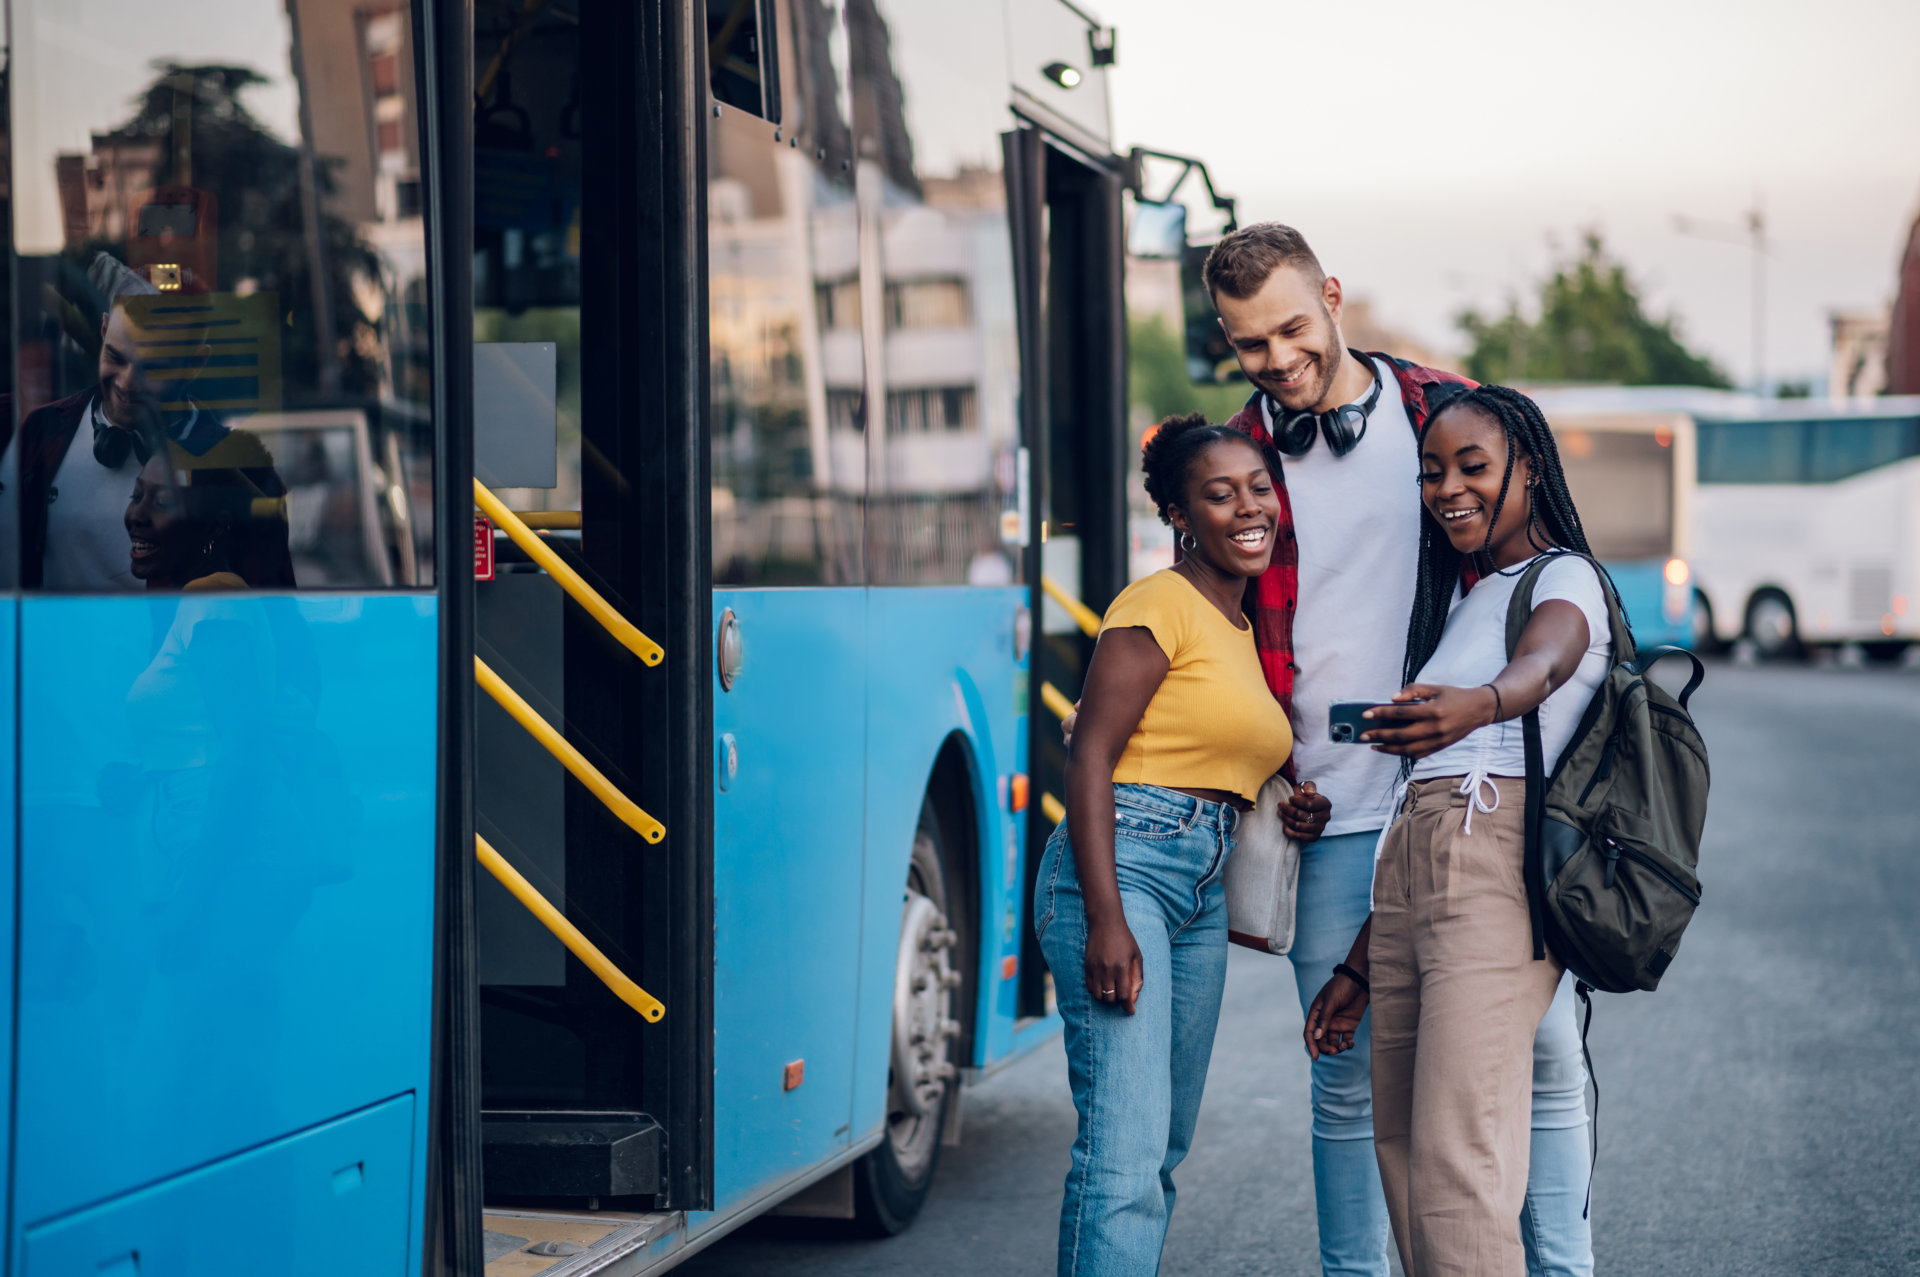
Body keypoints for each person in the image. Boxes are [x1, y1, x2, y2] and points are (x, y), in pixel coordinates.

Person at [1204, 223, 1593, 1277]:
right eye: (1249, 344)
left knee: (1538, 1050)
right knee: (1349, 1078)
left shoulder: (1442, 412)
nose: (1278, 359)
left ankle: (1562, 1265)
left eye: (1292, 326)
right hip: (1329, 805)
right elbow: (1221, 627)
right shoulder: (1234, 457)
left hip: (1471, 793)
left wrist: (1498, 707)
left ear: (1332, 295)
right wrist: (1269, 768)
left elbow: (1541, 573)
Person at [1304, 384, 1612, 1275]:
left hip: (1491, 856)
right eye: (1431, 471)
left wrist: (1474, 706)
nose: (1447, 488)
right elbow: (1428, 784)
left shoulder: (1565, 578)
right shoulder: (1465, 599)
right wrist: (1360, 965)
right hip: (1412, 867)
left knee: (1456, 1151)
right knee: (1399, 1140)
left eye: (1472, 467)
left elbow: (1547, 661)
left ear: (1530, 468)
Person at [1038, 414, 1291, 1276]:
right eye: (1220, 494)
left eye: (1259, 487)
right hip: (1125, 871)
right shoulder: (1157, 605)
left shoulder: (1239, 626)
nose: (1248, 507)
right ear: (1182, 515)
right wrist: (1107, 916)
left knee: (1161, 1142)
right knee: (1123, 1149)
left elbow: (1220, 755)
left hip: (1201, 886)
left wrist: (1294, 800)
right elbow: (1090, 756)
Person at [0, 281, 253, 590]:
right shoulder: (40, 430)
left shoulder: (234, 469)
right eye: (116, 358)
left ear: (195, 363)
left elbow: (274, 607)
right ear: (103, 329)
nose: (127, 383)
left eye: (153, 368)